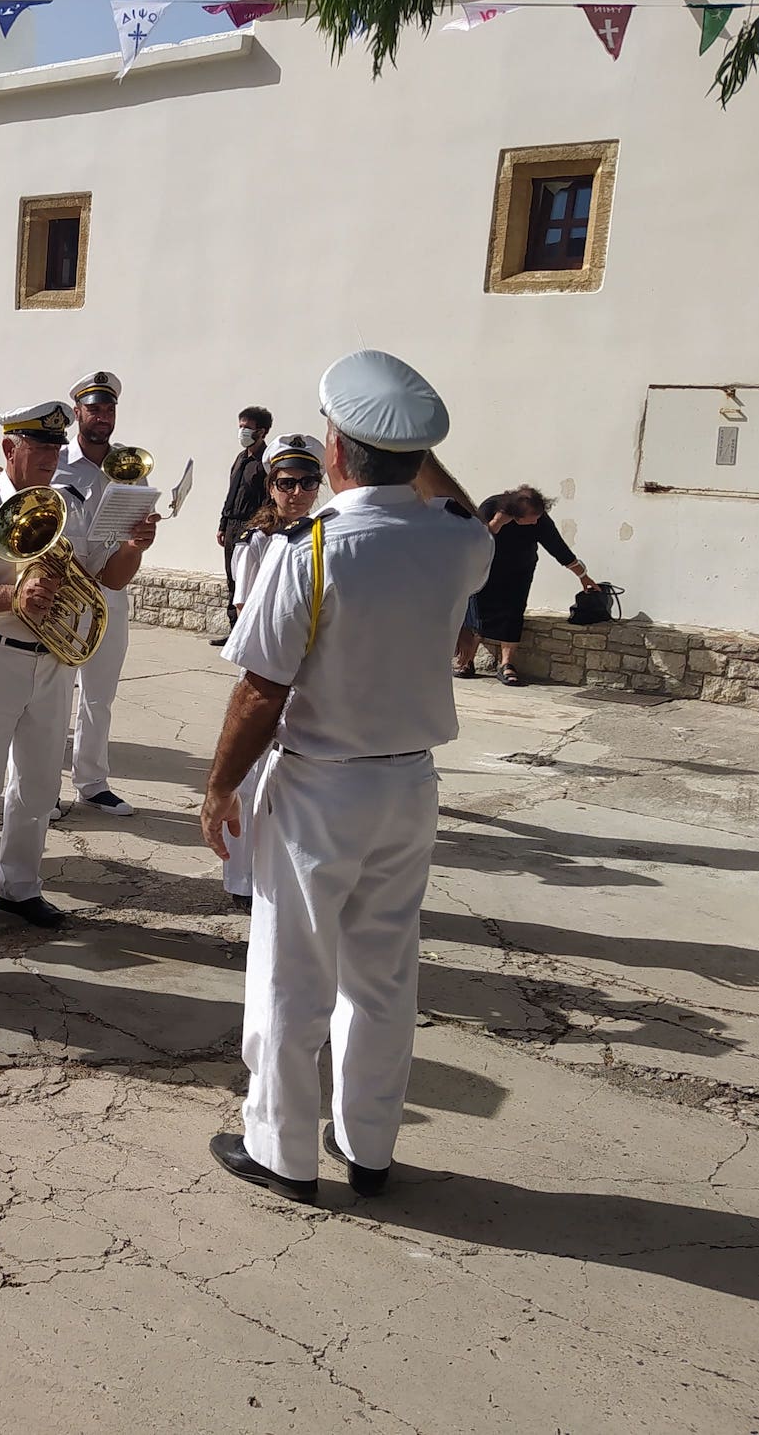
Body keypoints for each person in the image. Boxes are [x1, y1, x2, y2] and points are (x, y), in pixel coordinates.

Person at [202, 349, 489, 1204]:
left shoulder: (314, 549)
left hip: (320, 789)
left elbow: (261, 689)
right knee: (383, 977)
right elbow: (462, 510)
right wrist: (416, 452)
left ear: (334, 450)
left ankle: (283, 1152)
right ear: (417, 453)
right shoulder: (454, 542)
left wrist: (219, 786)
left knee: (291, 974)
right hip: (408, 787)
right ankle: (369, 1148)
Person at [0, 401, 160, 935]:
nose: (51, 457)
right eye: (39, 447)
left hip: (53, 659)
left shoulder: (69, 504)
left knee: (36, 784)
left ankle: (20, 886)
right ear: (9, 448)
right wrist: (12, 596)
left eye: (57, 447)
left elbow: (110, 578)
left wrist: (134, 546)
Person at [219, 433, 325, 913]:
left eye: (308, 483)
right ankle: (241, 878)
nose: (297, 493)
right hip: (266, 670)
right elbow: (246, 611)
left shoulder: (322, 538)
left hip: (310, 676)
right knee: (250, 775)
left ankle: (280, 872)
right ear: (270, 486)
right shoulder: (257, 541)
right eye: (286, 483)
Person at [56, 370, 141, 817]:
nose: (103, 416)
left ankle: (92, 782)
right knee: (51, 696)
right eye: (94, 408)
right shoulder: (56, 462)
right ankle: (41, 785)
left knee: (98, 696)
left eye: (109, 409)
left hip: (109, 592)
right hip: (62, 595)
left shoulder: (128, 467)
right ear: (78, 412)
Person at [455, 485, 597, 685]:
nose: (536, 521)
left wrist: (583, 576)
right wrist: (497, 523)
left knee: (513, 612)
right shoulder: (491, 507)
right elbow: (474, 540)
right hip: (486, 569)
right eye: (532, 517)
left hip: (520, 570)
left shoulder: (540, 520)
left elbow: (558, 548)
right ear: (517, 515)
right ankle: (467, 660)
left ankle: (506, 664)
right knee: (477, 612)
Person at [214, 407, 274, 645]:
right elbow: (232, 493)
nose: (242, 432)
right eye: (240, 427)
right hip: (232, 525)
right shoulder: (241, 458)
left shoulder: (266, 461)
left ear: (262, 431)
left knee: (248, 580)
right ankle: (234, 631)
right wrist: (223, 523)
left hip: (252, 527)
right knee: (232, 579)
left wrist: (260, 527)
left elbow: (268, 499)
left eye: (247, 428)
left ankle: (250, 633)